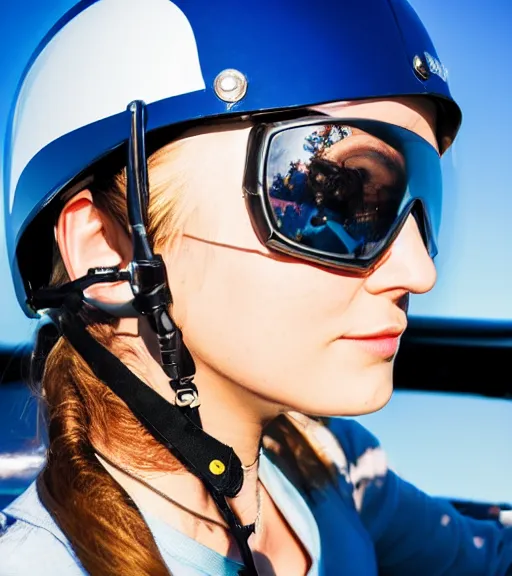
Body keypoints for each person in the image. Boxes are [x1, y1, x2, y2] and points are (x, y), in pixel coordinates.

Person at [0, 0, 510, 574]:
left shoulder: (327, 465)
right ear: (106, 248)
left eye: (420, 204)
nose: (420, 273)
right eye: (337, 196)